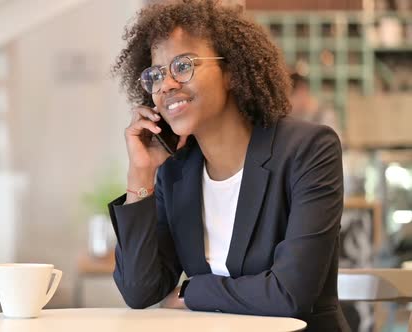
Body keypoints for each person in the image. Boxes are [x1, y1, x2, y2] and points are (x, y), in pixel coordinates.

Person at [108, 1, 350, 331]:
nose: (165, 86)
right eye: (156, 74)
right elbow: (139, 291)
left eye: (183, 66)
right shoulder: (176, 171)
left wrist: (192, 290)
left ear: (232, 71)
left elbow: (289, 294)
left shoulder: (308, 151)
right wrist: (140, 174)